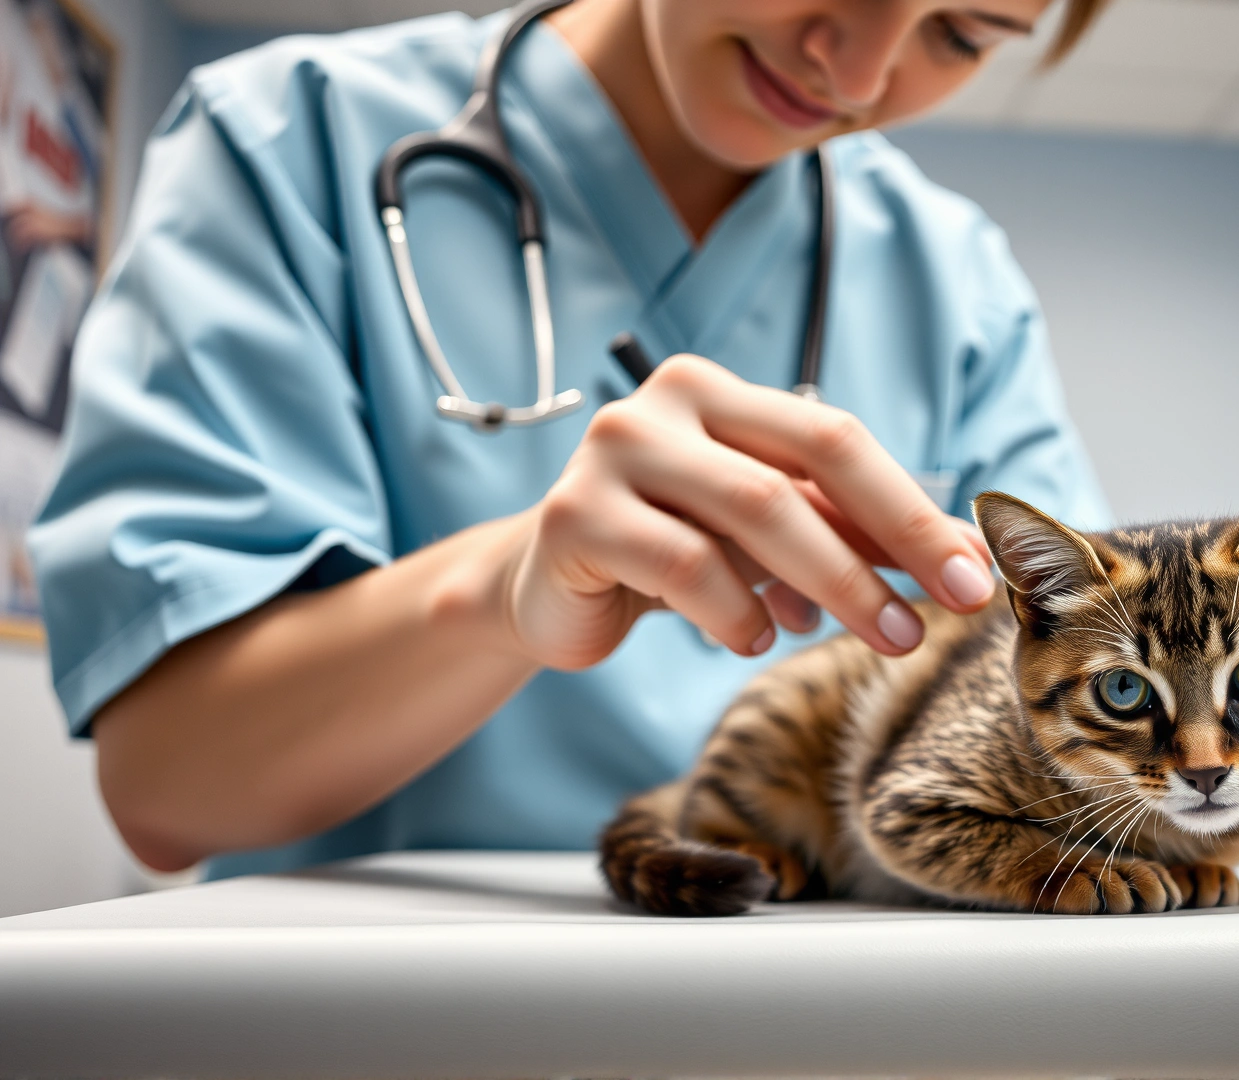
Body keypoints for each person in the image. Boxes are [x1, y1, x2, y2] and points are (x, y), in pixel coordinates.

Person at [28, 0, 1113, 879]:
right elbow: (165, 790)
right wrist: (504, 593)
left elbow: (1091, 738)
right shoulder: (286, 142)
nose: (862, 71)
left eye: (961, 34)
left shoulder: (958, 285)